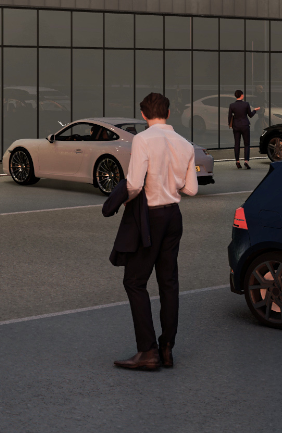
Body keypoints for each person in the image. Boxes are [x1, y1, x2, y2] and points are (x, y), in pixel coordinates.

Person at [112, 92, 196, 371]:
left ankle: (147, 351)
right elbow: (191, 189)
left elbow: (134, 184)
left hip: (150, 216)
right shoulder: (184, 143)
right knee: (169, 282)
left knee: (134, 282)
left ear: (144, 115)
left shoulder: (143, 139)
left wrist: (120, 199)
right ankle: (167, 348)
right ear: (169, 113)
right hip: (174, 216)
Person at [226, 89, 258, 170]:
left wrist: (231, 125)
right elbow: (250, 115)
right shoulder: (246, 104)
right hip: (245, 125)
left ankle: (237, 161)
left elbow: (229, 117)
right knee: (246, 144)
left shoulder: (232, 105)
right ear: (242, 95)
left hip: (236, 126)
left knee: (237, 144)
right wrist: (255, 110)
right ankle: (246, 161)